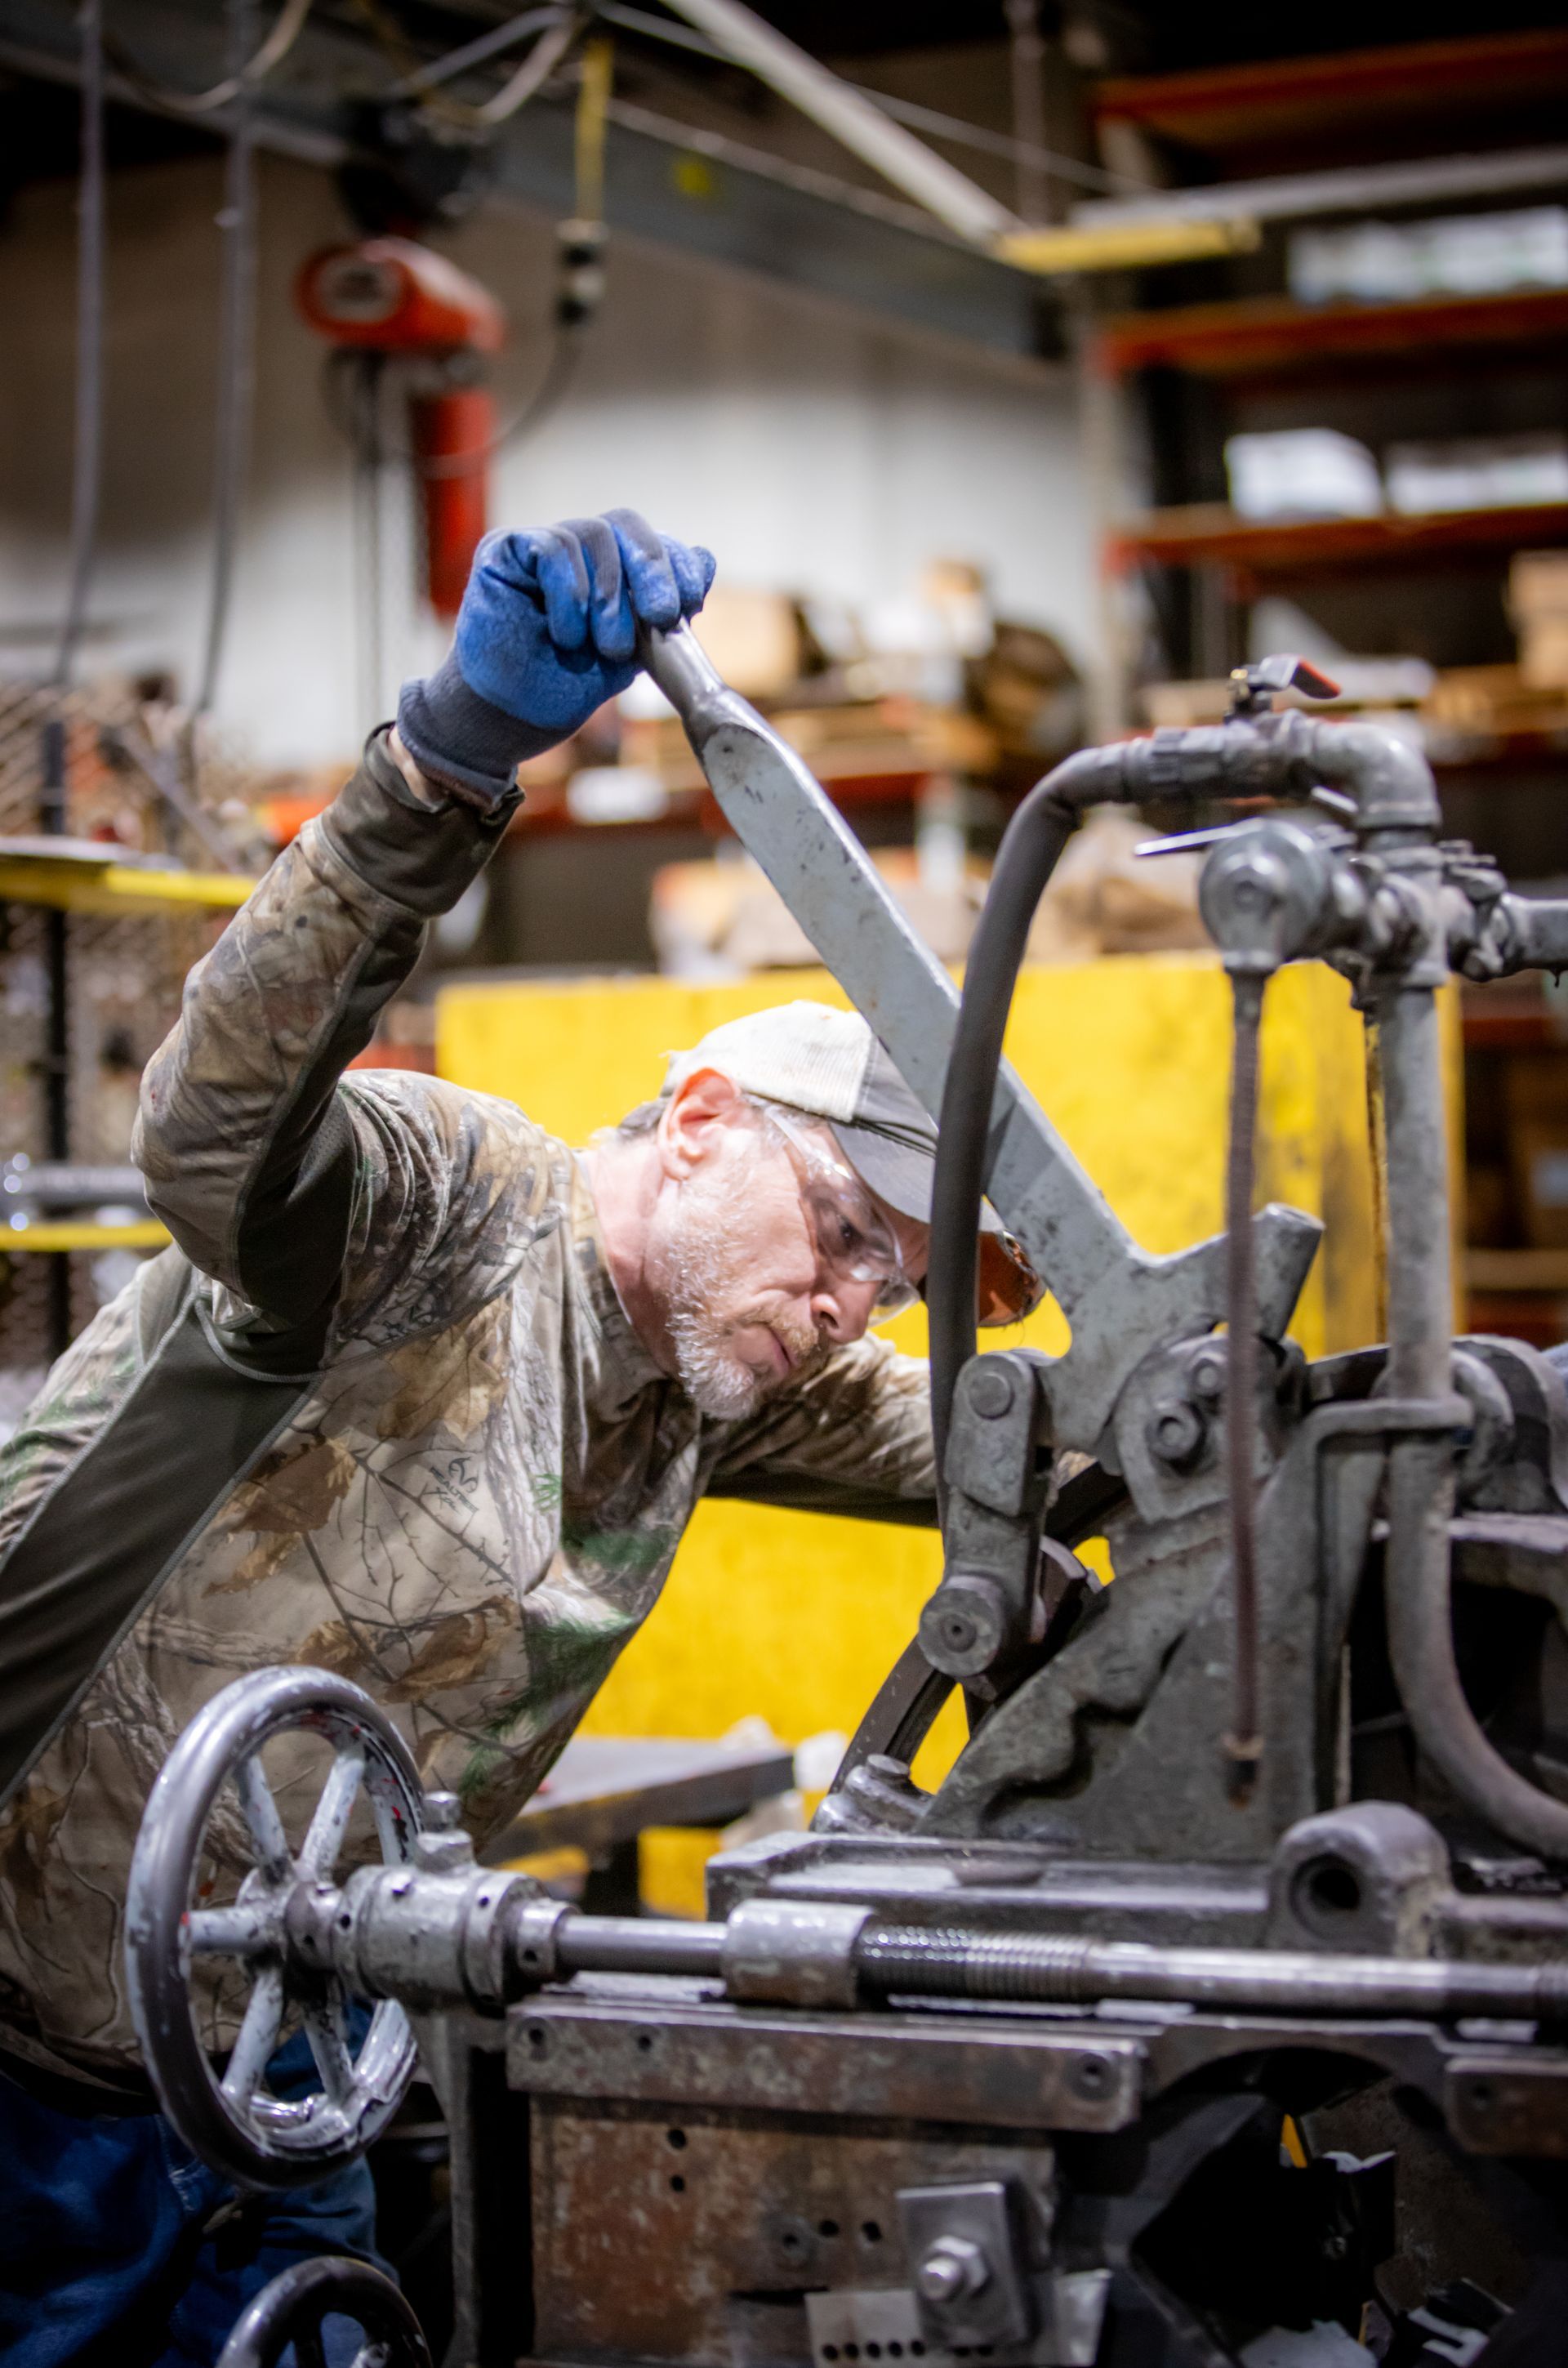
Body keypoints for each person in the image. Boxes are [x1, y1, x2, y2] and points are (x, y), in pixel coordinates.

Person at [0, 510, 1036, 2365]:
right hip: (26, 2083)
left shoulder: (720, 1373)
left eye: (897, 1276)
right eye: (847, 1233)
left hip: (275, 2086)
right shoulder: (446, 1205)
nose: (856, 1299)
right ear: (703, 1113)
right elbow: (212, 1123)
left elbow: (1030, 1427)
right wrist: (446, 766)